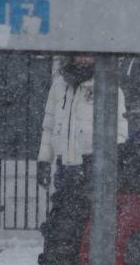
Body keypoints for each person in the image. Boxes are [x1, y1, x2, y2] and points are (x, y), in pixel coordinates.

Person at [35, 55, 130, 192]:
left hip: (93, 165)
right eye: (80, 55)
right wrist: (44, 161)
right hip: (64, 164)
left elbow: (119, 130)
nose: (84, 60)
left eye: (89, 56)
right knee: (62, 209)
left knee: (90, 210)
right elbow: (49, 127)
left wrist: (112, 164)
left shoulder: (109, 87)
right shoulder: (58, 86)